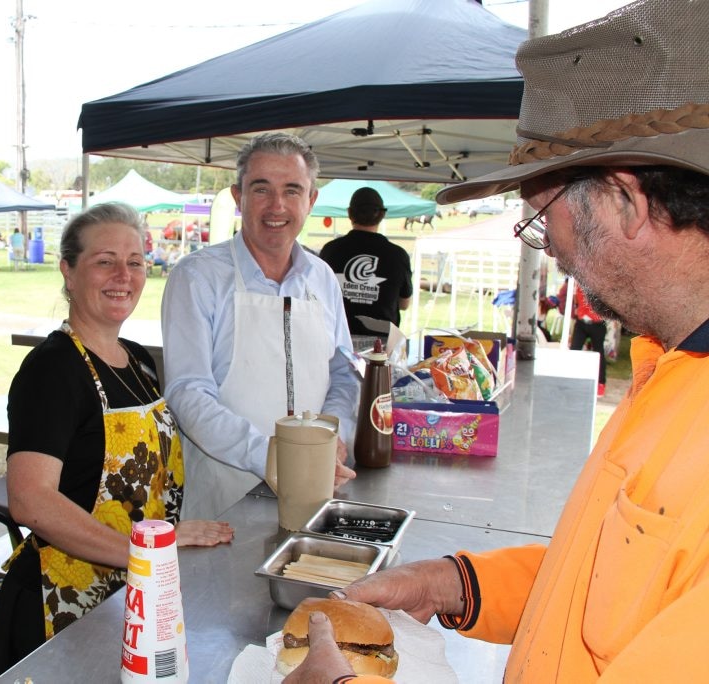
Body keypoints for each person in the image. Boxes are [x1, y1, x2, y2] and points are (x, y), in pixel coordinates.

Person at [284, 1, 709, 681]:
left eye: (543, 219)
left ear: (625, 204)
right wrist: (449, 586)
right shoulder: (672, 366)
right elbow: (603, 582)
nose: (551, 249)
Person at [0, 202, 234, 678]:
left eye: (136, 261)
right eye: (105, 261)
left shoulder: (138, 360)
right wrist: (147, 553)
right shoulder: (52, 370)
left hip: (132, 595)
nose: (124, 274)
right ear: (68, 271)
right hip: (60, 603)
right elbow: (30, 500)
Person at [161, 132, 359, 521]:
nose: (277, 206)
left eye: (292, 190)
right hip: (225, 499)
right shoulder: (198, 277)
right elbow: (187, 391)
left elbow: (343, 373)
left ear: (311, 200)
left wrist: (332, 439)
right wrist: (269, 456)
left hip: (316, 490)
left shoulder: (321, 277)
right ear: (238, 197)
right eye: (261, 189)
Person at [318, 187, 413, 347]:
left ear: (350, 213)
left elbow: (318, 296)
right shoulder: (398, 255)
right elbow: (404, 304)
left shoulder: (331, 250)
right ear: (382, 215)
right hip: (381, 346)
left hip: (337, 341)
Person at [557, 278, 608, 396]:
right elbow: (574, 297)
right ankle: (570, 378)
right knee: (574, 350)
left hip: (597, 323)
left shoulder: (601, 282)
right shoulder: (578, 280)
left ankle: (601, 383)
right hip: (581, 321)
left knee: (599, 352)